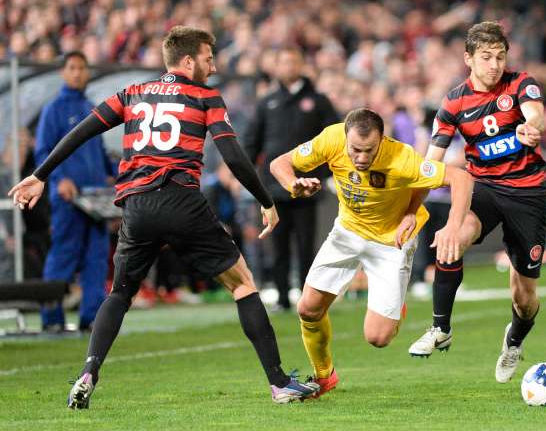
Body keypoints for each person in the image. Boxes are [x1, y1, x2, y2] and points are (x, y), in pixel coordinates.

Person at [9, 26, 318, 408]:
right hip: (180, 200)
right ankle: (279, 383)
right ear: (187, 61)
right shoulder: (205, 96)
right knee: (242, 284)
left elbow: (81, 132)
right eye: (208, 57)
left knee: (120, 293)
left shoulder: (132, 94)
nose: (213, 64)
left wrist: (40, 175)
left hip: (136, 207)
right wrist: (265, 200)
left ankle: (89, 371)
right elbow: (234, 156)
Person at [269, 108, 474, 397]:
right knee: (308, 308)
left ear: (382, 140)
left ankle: (396, 304)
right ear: (345, 139)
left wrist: (449, 226)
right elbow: (280, 163)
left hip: (391, 242)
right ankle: (324, 376)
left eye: (370, 150)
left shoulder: (400, 157)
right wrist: (293, 184)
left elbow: (460, 179)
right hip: (348, 232)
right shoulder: (331, 139)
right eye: (355, 150)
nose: (362, 158)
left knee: (377, 338)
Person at [404, 21, 546, 384]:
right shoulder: (454, 101)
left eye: (500, 56)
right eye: (486, 57)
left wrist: (532, 126)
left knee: (524, 295)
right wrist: (411, 209)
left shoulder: (520, 83)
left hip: (526, 192)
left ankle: (514, 340)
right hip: (483, 188)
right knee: (452, 237)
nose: (494, 64)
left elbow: (535, 113)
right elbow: (431, 162)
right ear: (468, 58)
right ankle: (441, 328)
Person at [243, 47, 338, 311]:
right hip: (273, 187)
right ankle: (283, 297)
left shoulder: (319, 101)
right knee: (279, 245)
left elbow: (336, 139)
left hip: (308, 186)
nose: (288, 66)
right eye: (283, 61)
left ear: (301, 64)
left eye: (293, 60)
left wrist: (327, 175)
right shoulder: (267, 102)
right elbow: (252, 142)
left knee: (307, 244)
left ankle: (310, 298)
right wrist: (246, 174)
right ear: (276, 66)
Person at [34, 51, 114, 332]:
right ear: (63, 73)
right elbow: (43, 151)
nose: (78, 72)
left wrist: (116, 178)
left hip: (95, 200)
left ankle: (90, 317)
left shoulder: (93, 108)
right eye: (72, 68)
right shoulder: (53, 109)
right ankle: (52, 318)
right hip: (68, 198)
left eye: (82, 67)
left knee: (96, 258)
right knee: (63, 255)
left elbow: (102, 154)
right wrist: (58, 181)